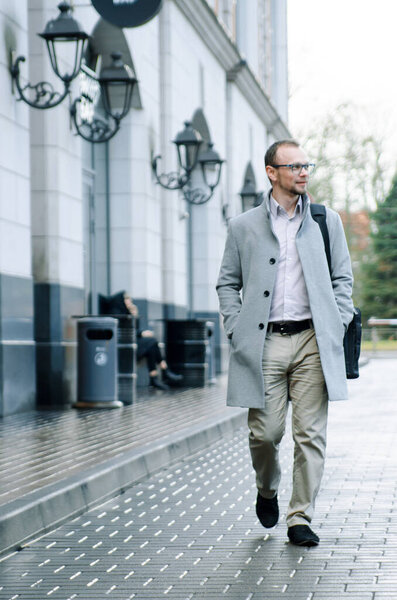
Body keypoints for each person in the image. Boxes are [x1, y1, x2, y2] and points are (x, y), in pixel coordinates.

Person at [216, 139, 354, 547]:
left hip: (313, 339)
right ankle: (267, 488)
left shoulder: (326, 221)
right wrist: (235, 328)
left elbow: (343, 280)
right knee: (265, 433)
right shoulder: (244, 226)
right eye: (293, 166)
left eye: (306, 165)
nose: (303, 172)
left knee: (310, 434)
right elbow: (227, 282)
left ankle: (299, 518)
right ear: (271, 172)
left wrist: (337, 321)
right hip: (264, 342)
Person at [101, 291, 183, 391]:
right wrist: (141, 333)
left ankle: (156, 377)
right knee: (152, 342)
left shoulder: (125, 312)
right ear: (121, 301)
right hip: (122, 347)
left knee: (152, 346)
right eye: (127, 300)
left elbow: (132, 330)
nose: (129, 302)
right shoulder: (116, 313)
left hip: (130, 343)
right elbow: (122, 333)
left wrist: (134, 316)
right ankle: (162, 373)